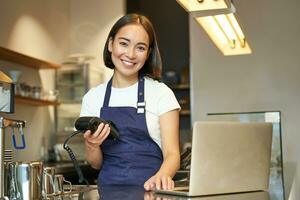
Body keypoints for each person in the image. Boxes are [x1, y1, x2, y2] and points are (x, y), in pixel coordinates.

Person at [80, 13, 180, 191]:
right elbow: (95, 164)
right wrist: (92, 145)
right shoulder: (92, 98)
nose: (131, 54)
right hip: (109, 192)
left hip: (151, 191)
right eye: (124, 44)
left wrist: (162, 176)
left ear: (148, 53)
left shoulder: (161, 93)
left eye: (140, 48)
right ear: (111, 44)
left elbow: (172, 154)